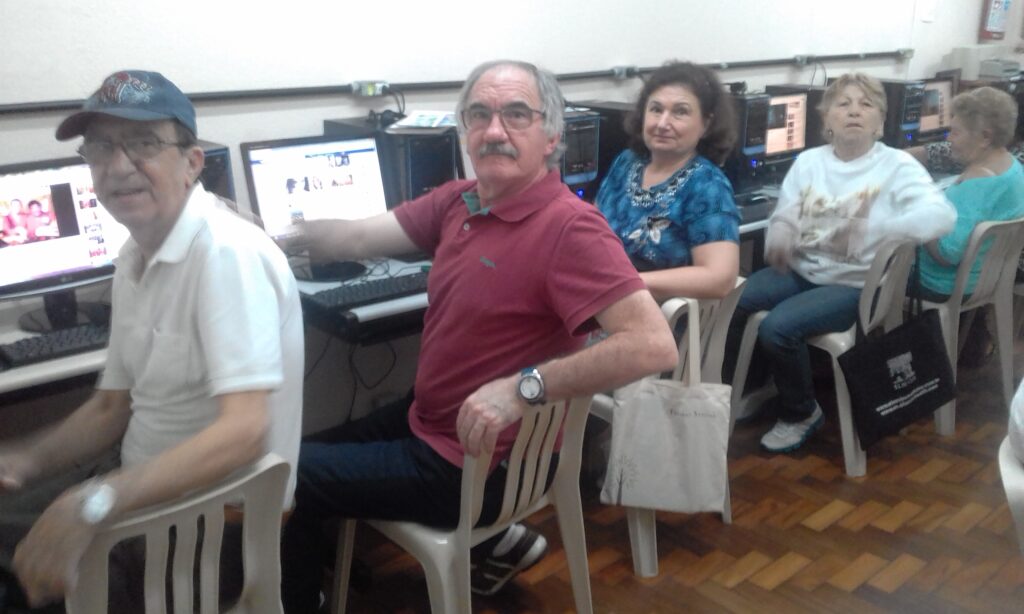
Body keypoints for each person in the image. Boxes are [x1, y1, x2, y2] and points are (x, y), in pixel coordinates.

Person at [280, 60, 678, 612]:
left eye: (516, 114)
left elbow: (652, 344)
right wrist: (261, 235)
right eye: (479, 114)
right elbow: (354, 237)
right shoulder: (461, 200)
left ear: (552, 136)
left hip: (471, 464)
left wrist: (523, 388)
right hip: (434, 422)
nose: (495, 131)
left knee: (287, 476)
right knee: (288, 456)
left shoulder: (571, 229)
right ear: (465, 128)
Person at [0, 70, 304, 612]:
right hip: (139, 488)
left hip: (210, 527)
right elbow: (111, 406)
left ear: (191, 163)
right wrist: (21, 461)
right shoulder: (134, 256)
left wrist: (93, 502)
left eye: (143, 144)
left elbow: (246, 430)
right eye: (100, 147)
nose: (118, 167)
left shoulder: (227, 254)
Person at [725, 73, 956, 454]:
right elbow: (786, 210)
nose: (854, 111)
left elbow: (941, 216)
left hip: (856, 285)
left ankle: (801, 412)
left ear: (880, 122)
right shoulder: (809, 161)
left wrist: (879, 229)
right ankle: (759, 385)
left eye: (866, 105)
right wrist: (781, 234)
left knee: (778, 329)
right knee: (733, 299)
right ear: (826, 120)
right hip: (802, 271)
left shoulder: (897, 166)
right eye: (843, 104)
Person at [595, 61, 740, 301]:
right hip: (606, 296)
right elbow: (594, 228)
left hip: (660, 318)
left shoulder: (707, 186)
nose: (663, 123)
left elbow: (719, 279)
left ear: (706, 124)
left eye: (680, 112)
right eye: (656, 109)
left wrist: (626, 283)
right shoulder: (627, 162)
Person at [910, 87, 1024, 364]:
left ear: (985, 137)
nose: (949, 139)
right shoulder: (1012, 168)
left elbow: (947, 254)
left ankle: (873, 366)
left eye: (955, 132)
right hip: (987, 278)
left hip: (942, 283)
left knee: (868, 272)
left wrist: (918, 213)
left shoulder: (977, 183)